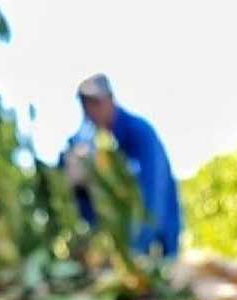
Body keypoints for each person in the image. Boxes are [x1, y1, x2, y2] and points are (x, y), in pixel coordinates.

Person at [64, 74, 181, 257]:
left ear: (110, 100)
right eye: (86, 106)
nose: (90, 113)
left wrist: (137, 249)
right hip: (133, 245)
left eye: (95, 104)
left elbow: (153, 195)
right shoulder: (100, 147)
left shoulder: (139, 132)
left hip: (161, 239)